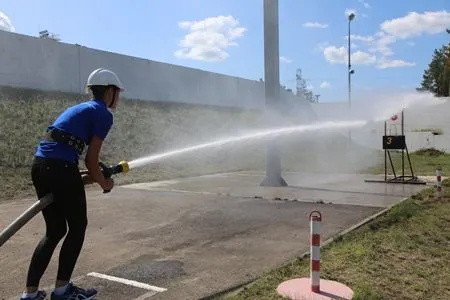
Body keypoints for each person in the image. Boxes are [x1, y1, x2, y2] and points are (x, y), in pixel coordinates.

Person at [19, 68, 124, 300]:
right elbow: (91, 159)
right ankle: (62, 291)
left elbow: (65, 149)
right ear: (109, 91)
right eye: (117, 92)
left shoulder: (78, 109)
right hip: (61, 168)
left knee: (55, 230)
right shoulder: (103, 113)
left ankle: (30, 295)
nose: (118, 97)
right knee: (77, 227)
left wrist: (91, 174)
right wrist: (105, 183)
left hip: (41, 166)